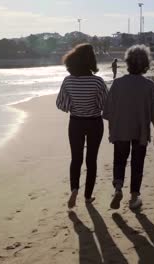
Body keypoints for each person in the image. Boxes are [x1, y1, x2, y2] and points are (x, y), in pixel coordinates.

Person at [103, 44, 154, 210]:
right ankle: (134, 196)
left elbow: (109, 110)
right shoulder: (149, 85)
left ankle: (117, 188)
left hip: (121, 129)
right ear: (145, 64)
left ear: (128, 62)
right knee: (138, 163)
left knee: (119, 160)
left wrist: (111, 129)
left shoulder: (117, 84)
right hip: (141, 131)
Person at [56, 43, 108, 208]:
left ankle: (74, 190)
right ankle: (87, 196)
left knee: (76, 159)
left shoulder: (68, 81)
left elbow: (61, 104)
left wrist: (74, 105)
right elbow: (104, 105)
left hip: (76, 123)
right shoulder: (98, 82)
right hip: (94, 123)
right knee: (91, 159)